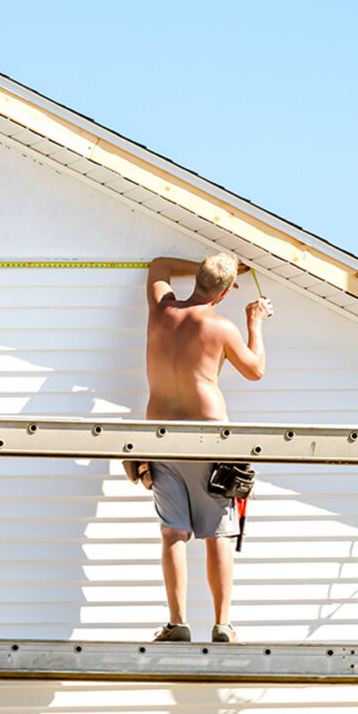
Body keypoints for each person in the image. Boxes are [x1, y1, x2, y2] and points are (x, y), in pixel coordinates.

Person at [144, 254, 272, 643]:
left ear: (197, 279)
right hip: (208, 435)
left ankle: (177, 623)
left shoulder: (162, 309)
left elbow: (159, 266)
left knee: (173, 534)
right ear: (224, 294)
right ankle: (222, 625)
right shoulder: (221, 326)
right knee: (218, 533)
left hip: (161, 435)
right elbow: (255, 370)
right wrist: (256, 323)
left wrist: (215, 266)